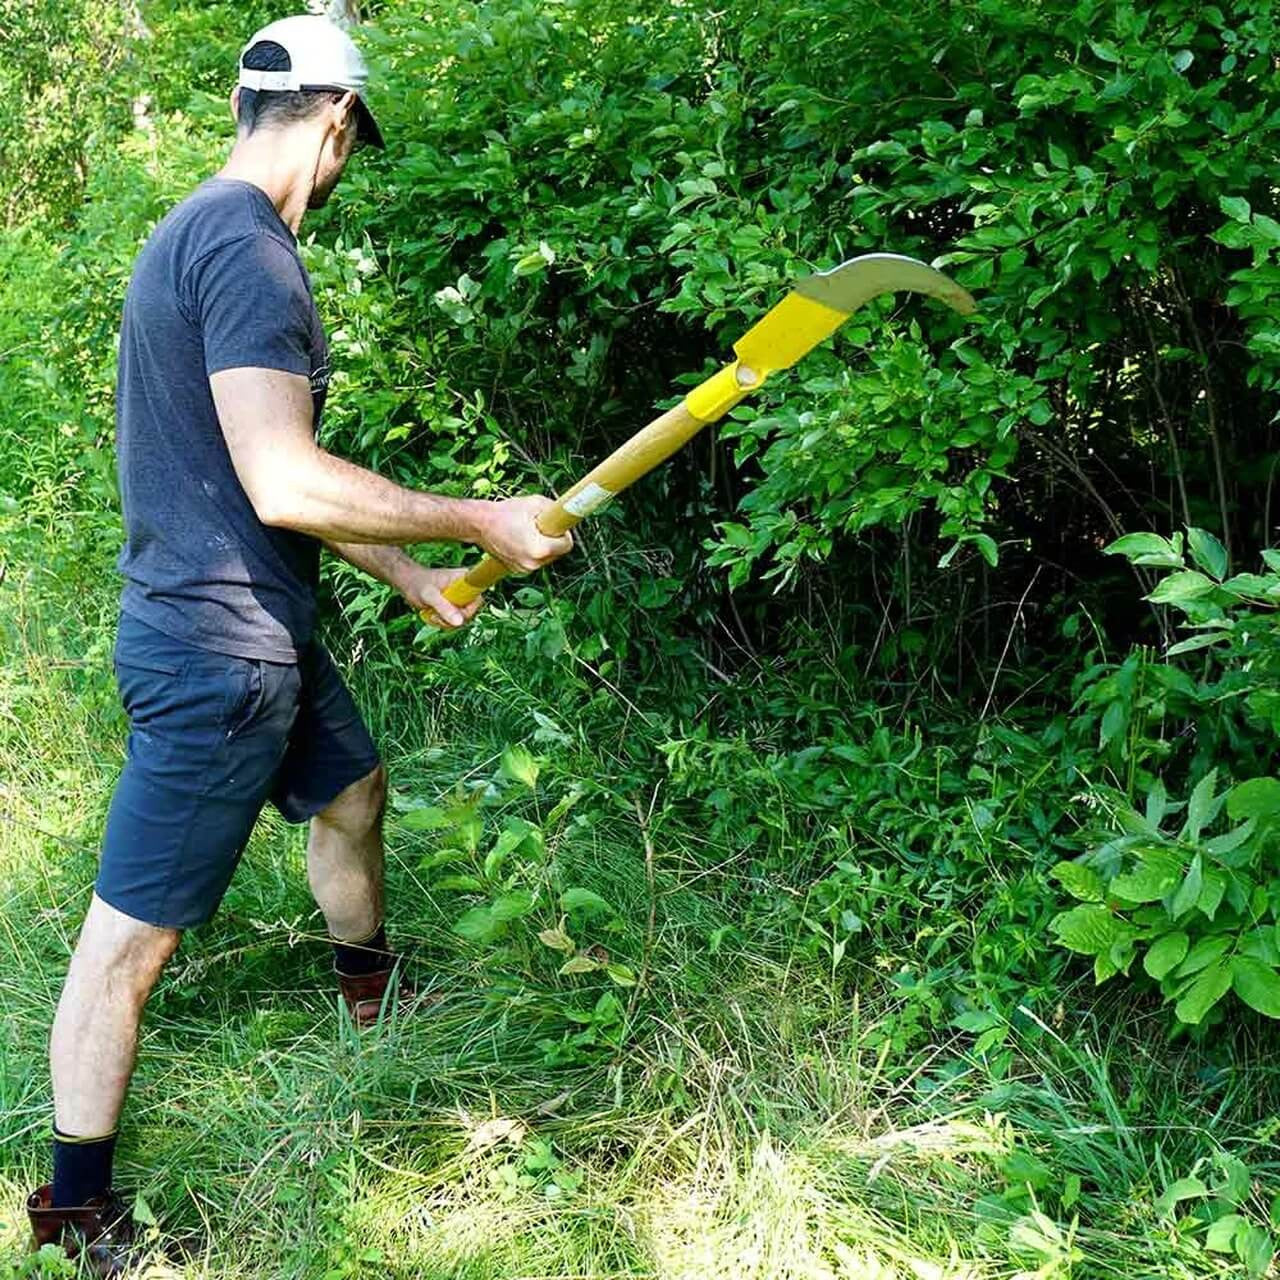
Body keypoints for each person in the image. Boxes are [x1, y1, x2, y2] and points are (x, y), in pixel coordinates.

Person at [24, 14, 573, 1273]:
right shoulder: (252, 252)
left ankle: (370, 989)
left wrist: (415, 566)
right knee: (129, 937)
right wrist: (477, 516)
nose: (342, 170)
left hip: (248, 621)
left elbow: (261, 476)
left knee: (353, 788)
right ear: (335, 122)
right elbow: (286, 477)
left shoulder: (193, 232)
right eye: (350, 147)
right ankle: (74, 1210)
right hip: (219, 653)